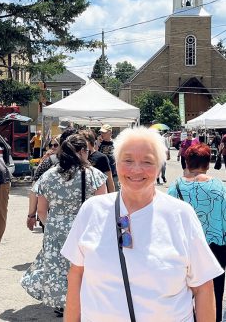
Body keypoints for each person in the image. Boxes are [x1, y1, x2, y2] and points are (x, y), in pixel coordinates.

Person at [61, 126, 223, 322]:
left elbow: (203, 287)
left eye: (147, 161)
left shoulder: (181, 214)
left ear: (159, 167)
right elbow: (76, 275)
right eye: (127, 160)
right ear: (116, 164)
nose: (136, 169)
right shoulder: (92, 210)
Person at [21, 134, 107, 317]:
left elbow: (42, 211)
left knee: (60, 273)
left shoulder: (48, 176)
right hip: (85, 231)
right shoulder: (94, 175)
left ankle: (65, 307)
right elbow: (102, 210)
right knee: (84, 273)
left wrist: (53, 226)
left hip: (55, 231)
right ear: (83, 151)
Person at [168, 143, 226, 322]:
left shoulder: (174, 187)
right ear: (207, 164)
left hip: (184, 248)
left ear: (186, 162)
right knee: (213, 294)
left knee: (183, 293)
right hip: (216, 249)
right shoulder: (220, 187)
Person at [27, 135, 61, 232]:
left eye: (56, 145)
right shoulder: (47, 160)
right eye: (51, 145)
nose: (53, 148)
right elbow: (36, 184)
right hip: (47, 207)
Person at [98, 124, 118, 189]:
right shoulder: (98, 143)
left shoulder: (116, 143)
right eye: (101, 132)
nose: (102, 134)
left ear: (110, 133)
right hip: (100, 175)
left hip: (113, 174)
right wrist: (97, 143)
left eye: (104, 132)